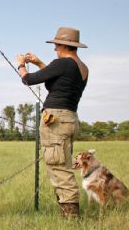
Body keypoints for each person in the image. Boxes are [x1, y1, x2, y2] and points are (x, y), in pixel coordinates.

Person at [17, 27, 89, 218]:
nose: (54, 49)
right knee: (62, 163)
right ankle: (68, 214)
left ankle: (71, 218)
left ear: (63, 45)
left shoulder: (63, 63)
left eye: (56, 45)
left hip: (56, 120)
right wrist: (40, 63)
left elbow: (29, 80)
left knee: (58, 167)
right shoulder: (81, 67)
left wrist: (21, 65)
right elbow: (53, 83)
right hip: (70, 118)